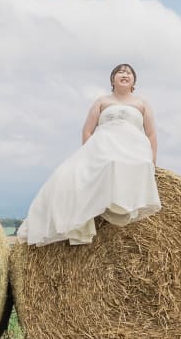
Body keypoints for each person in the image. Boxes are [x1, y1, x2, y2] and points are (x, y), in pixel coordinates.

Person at [17, 63, 161, 246]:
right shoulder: (102, 101)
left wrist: (152, 161)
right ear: (112, 80)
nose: (124, 74)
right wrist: (88, 154)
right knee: (66, 176)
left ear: (134, 81)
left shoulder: (142, 103)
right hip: (103, 146)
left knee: (117, 164)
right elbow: (87, 130)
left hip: (133, 148)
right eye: (120, 72)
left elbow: (151, 134)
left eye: (129, 72)